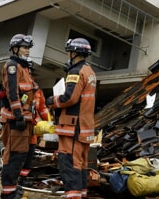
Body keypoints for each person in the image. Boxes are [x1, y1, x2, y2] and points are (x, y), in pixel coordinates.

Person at [46, 38, 97, 199]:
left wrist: (51, 101)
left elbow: (69, 98)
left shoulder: (76, 71)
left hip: (73, 128)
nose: (68, 55)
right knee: (80, 166)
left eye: (69, 52)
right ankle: (81, 195)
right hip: (84, 127)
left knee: (69, 165)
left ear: (74, 52)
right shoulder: (90, 71)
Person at [0, 34, 39, 199]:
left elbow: (29, 92)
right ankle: (8, 192)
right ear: (15, 49)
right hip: (17, 120)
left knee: (21, 154)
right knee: (14, 155)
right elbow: (13, 93)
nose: (27, 51)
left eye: (28, 48)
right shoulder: (12, 66)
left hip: (24, 119)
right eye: (24, 47)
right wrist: (19, 115)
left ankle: (12, 187)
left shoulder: (24, 68)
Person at [18, 83, 50, 186]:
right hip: (21, 128)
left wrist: (48, 122)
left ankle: (23, 179)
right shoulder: (21, 92)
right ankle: (15, 178)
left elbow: (42, 108)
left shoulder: (38, 92)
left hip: (33, 129)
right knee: (19, 155)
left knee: (29, 155)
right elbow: (18, 106)